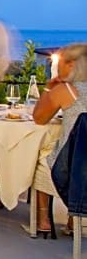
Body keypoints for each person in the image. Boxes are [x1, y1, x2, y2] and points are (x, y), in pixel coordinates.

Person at [32, 43, 87, 236]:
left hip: (73, 166)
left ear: (71, 65)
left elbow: (39, 118)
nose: (56, 67)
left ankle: (43, 219)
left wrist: (48, 89)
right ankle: (73, 220)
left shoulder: (66, 89)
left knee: (40, 157)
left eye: (60, 63)